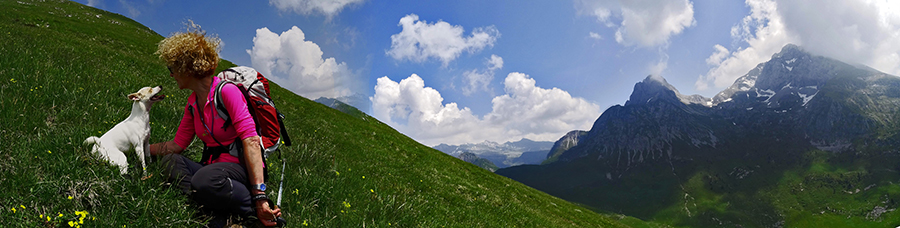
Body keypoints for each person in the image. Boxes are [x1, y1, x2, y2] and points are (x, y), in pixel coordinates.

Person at [148, 22, 282, 227]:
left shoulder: (227, 91)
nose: (171, 74)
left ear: (187, 67)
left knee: (204, 180)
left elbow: (252, 141)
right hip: (212, 170)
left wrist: (260, 196)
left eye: (172, 68)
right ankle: (212, 214)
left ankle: (253, 212)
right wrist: (140, 148)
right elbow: (177, 146)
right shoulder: (193, 103)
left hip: (239, 170)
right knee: (170, 161)